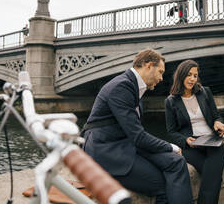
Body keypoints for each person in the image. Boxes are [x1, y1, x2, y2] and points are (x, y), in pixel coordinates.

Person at [83, 49, 194, 204]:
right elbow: (138, 136)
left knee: (177, 162)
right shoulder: (122, 87)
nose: (162, 78)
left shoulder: (133, 87)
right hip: (106, 152)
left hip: (124, 145)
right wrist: (171, 146)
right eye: (160, 72)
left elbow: (136, 134)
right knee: (164, 184)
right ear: (149, 66)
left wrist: (170, 149)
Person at [165, 59, 224, 204]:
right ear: (181, 76)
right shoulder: (171, 101)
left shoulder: (205, 92)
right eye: (189, 75)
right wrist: (185, 140)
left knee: (218, 152)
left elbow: (216, 116)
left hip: (212, 139)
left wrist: (218, 122)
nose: (192, 79)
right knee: (213, 174)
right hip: (192, 144)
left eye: (195, 75)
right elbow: (172, 132)